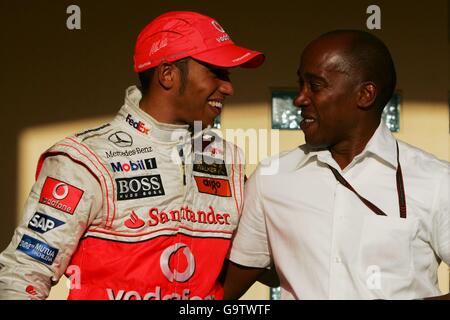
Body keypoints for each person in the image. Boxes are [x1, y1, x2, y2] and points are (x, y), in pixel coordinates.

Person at [0, 11, 264, 300]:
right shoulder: (84, 160)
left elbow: (263, 254)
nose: (228, 87)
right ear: (167, 75)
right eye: (217, 72)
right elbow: (24, 271)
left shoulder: (225, 160)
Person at [223, 30, 449, 300]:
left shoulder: (436, 181)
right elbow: (222, 292)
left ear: (365, 95)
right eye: (300, 84)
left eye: (315, 85)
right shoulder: (271, 178)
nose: (299, 99)